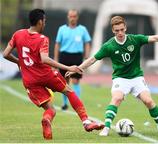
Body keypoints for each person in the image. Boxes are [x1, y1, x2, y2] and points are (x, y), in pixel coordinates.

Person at [3, 9, 104, 140]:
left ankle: (46, 119)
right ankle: (86, 122)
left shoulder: (18, 34)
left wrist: (19, 62)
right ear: (40, 22)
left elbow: (5, 54)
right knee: (69, 91)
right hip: (45, 74)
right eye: (44, 21)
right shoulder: (42, 39)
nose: (44, 24)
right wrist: (68, 67)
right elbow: (45, 59)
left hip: (29, 80)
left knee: (51, 110)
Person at [66, 16, 158, 136]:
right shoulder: (109, 46)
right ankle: (106, 129)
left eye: (122, 29)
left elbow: (153, 37)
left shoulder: (135, 39)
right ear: (113, 30)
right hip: (120, 79)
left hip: (137, 77)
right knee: (116, 98)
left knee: (148, 101)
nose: (120, 33)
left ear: (125, 28)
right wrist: (77, 69)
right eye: (117, 30)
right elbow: (92, 59)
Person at [54, 9, 91, 110]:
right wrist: (56, 59)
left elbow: (87, 42)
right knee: (64, 82)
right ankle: (65, 103)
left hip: (77, 57)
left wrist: (87, 56)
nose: (72, 18)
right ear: (68, 17)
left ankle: (77, 104)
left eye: (74, 16)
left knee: (76, 80)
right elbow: (57, 44)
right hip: (64, 56)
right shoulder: (62, 29)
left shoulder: (82, 29)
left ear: (77, 17)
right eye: (71, 16)